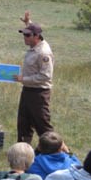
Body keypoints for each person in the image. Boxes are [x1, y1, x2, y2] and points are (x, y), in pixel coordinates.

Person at [13, 15, 54, 144]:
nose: (24, 37)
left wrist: (23, 79)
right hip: (28, 90)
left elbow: (45, 76)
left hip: (39, 93)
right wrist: (28, 23)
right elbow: (33, 29)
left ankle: (60, 152)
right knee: (24, 122)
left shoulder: (43, 53)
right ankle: (24, 150)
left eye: (27, 35)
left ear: (36, 37)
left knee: (43, 126)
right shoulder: (35, 40)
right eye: (24, 34)